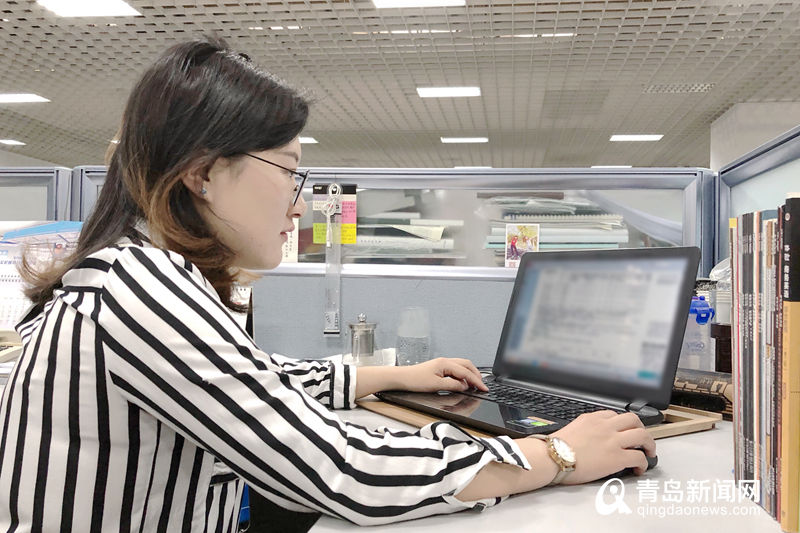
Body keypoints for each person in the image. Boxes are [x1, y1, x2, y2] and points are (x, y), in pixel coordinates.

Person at [0, 37, 655, 532]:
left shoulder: (126, 273)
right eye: (290, 171)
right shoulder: (140, 290)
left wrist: (387, 376)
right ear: (203, 174)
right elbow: (343, 469)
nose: (298, 204)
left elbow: (249, 379)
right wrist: (556, 453)